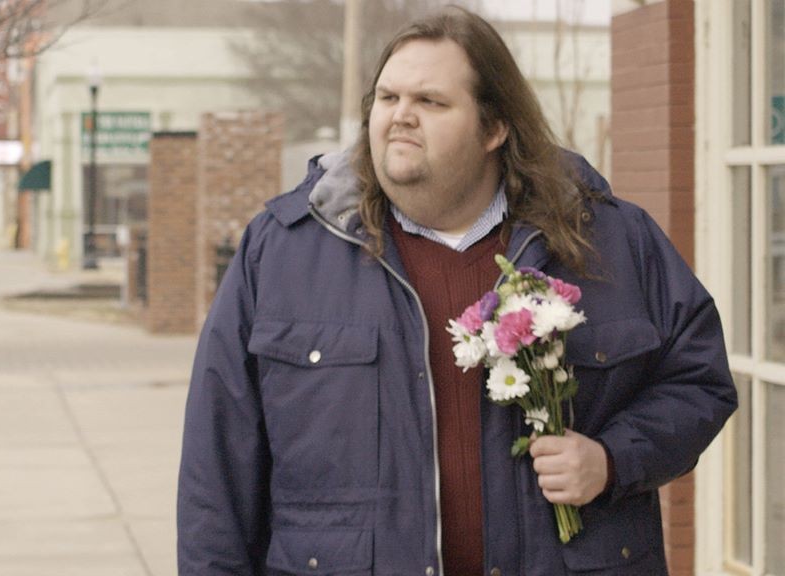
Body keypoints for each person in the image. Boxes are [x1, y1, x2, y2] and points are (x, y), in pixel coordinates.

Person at [177, 7, 737, 576]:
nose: (400, 117)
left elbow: (699, 380)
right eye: (388, 99)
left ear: (494, 128)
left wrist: (613, 460)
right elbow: (216, 467)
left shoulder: (608, 241)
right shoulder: (282, 252)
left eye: (430, 102)